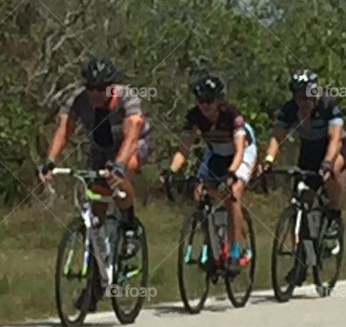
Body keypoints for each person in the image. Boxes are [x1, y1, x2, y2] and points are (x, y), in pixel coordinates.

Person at [37, 58, 152, 303]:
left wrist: (120, 166)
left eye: (102, 88)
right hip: (101, 148)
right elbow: (64, 130)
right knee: (96, 212)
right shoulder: (79, 99)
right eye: (91, 87)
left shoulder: (127, 97)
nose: (96, 93)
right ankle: (97, 280)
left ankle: (130, 227)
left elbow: (132, 135)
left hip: (132, 144)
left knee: (120, 176)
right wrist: (50, 161)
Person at [161, 75, 257, 272]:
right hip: (216, 152)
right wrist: (171, 170)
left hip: (242, 152)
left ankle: (236, 250)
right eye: (200, 100)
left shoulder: (232, 116)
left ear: (219, 100)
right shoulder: (194, 116)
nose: (204, 105)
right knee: (200, 193)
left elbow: (239, 151)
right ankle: (213, 242)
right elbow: (183, 150)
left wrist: (231, 173)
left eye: (209, 101)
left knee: (234, 194)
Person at [258, 70, 346, 249]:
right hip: (310, 149)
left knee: (333, 170)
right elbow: (277, 138)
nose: (301, 101)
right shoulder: (289, 110)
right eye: (297, 95)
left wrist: (327, 163)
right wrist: (268, 160)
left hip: (338, 146)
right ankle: (301, 253)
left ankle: (334, 214)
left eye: (305, 95)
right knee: (302, 196)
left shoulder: (328, 105)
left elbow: (335, 140)